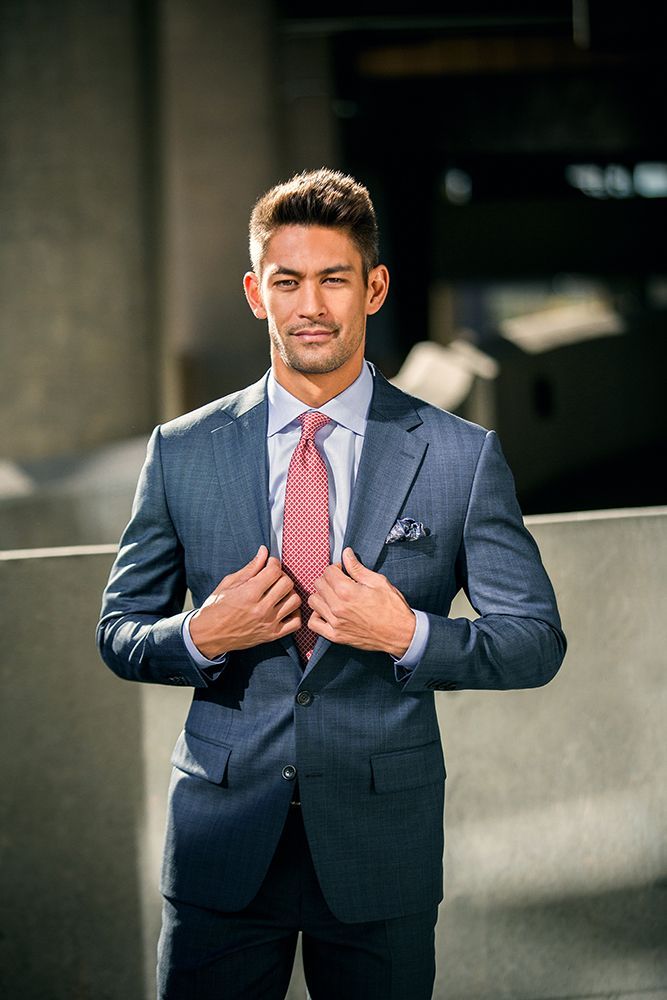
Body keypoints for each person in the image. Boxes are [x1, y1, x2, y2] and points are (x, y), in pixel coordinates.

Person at [97, 168, 566, 1000]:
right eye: (287, 281)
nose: (310, 304)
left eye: (333, 279)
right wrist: (203, 634)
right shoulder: (181, 450)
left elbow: (533, 641)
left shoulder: (459, 456)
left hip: (380, 852)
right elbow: (121, 628)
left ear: (373, 287)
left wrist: (409, 634)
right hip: (221, 849)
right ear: (255, 293)